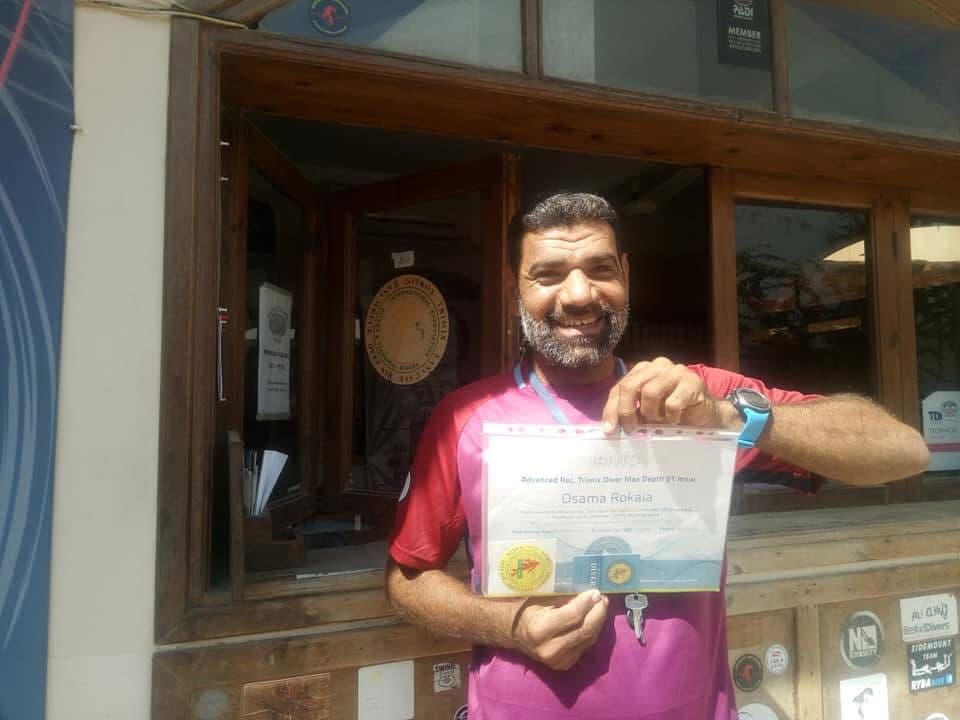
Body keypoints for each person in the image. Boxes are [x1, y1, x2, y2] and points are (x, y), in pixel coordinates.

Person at [385, 193, 929, 719]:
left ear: (626, 275)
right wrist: (511, 626)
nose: (579, 294)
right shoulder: (466, 418)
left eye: (600, 269)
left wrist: (731, 418)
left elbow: (903, 450)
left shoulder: (693, 398)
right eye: (548, 275)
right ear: (514, 290)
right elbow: (406, 581)